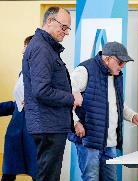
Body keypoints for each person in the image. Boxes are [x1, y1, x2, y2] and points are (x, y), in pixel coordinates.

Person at [68, 41, 138, 181]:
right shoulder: (85, 70)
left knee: (111, 179)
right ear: (107, 59)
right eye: (120, 62)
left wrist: (133, 116)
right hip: (90, 140)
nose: (123, 66)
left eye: (125, 63)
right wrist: (75, 122)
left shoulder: (116, 76)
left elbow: (118, 104)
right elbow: (66, 96)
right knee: (91, 178)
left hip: (110, 142)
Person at [22, 6, 83, 181]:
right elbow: (41, 90)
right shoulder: (42, 48)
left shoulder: (45, 47)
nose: (67, 33)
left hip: (48, 123)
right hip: (47, 125)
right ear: (50, 21)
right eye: (64, 27)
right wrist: (72, 98)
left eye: (68, 29)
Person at [0, 36, 37, 181]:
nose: (23, 51)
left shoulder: (46, 75)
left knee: (38, 174)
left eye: (26, 48)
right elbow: (17, 103)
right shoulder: (22, 74)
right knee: (8, 175)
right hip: (15, 132)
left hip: (34, 133)